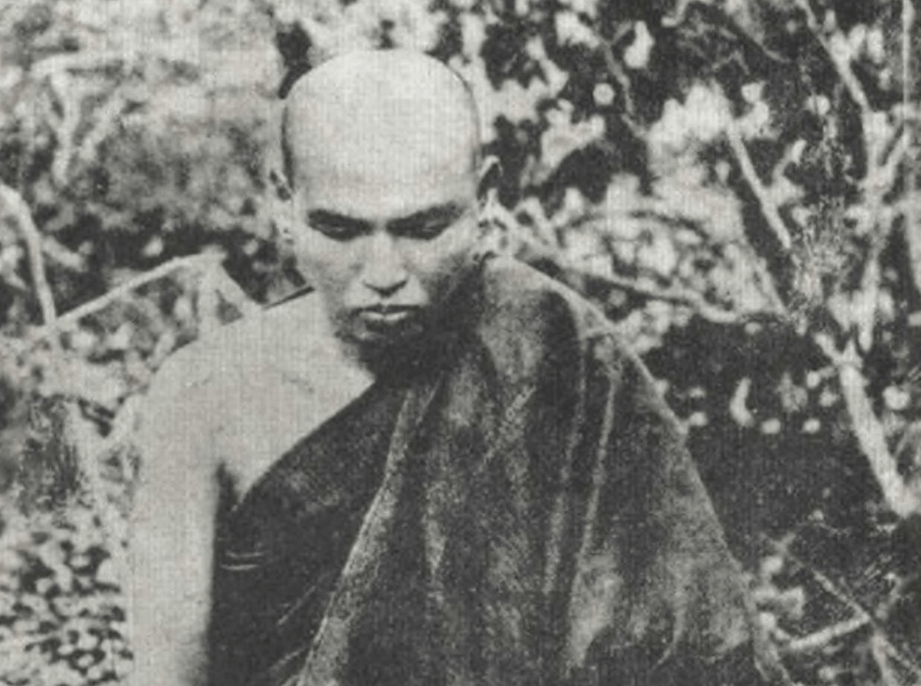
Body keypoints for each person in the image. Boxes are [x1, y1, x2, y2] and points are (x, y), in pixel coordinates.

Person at [129, 49, 790, 686]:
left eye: (423, 229)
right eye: (340, 230)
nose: (383, 274)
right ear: (282, 202)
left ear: (486, 197)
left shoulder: (554, 349)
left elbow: (683, 647)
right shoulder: (203, 400)